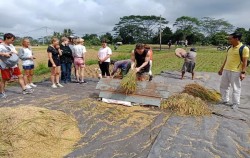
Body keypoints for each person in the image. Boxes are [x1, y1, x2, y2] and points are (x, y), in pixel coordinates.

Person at [218, 32, 249, 110]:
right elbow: (226, 59)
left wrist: (243, 72)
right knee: (224, 86)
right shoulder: (229, 48)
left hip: (236, 71)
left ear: (236, 39)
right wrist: (222, 69)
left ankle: (235, 103)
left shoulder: (244, 48)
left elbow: (245, 61)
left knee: (236, 88)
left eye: (230, 38)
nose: (229, 40)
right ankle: (225, 100)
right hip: (226, 70)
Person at [0, 33, 33, 97]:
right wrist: (4, 54)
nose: (13, 41)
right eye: (12, 40)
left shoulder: (11, 45)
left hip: (14, 64)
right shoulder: (1, 46)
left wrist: (15, 53)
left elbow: (15, 52)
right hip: (5, 65)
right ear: (6, 38)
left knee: (20, 76)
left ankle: (24, 89)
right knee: (4, 79)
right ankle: (1, 92)